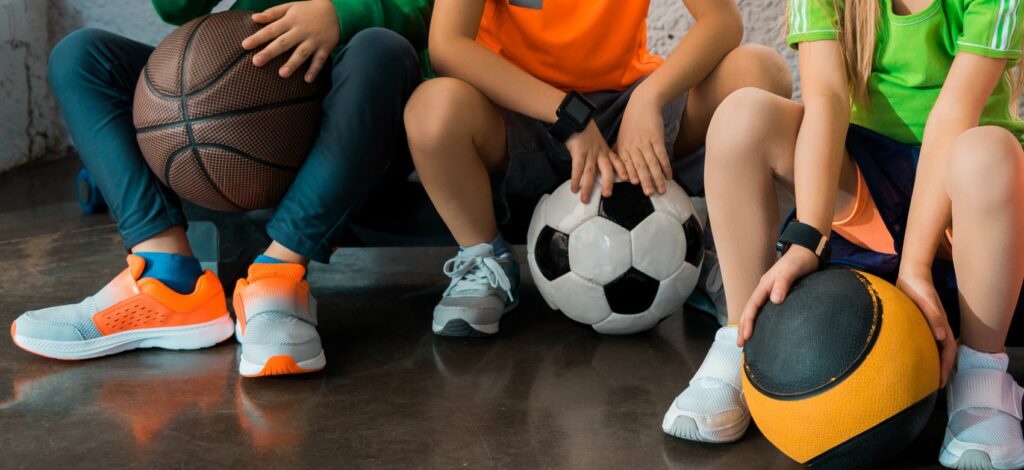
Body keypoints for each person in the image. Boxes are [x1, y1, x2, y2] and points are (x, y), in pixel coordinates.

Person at [663, 0, 1024, 466]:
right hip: (864, 180)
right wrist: (808, 235)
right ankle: (739, 341)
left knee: (989, 154)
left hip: (962, 197)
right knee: (741, 116)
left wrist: (915, 264)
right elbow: (828, 100)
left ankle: (982, 374)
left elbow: (955, 115)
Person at [10, 0, 431, 378]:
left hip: (364, 114)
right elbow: (176, 9)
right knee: (81, 56)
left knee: (381, 48)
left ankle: (278, 280)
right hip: (249, 97)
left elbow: (431, 12)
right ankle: (167, 278)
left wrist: (342, 14)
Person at [403, 0, 793, 337]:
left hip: (626, 107)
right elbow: (447, 45)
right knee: (432, 110)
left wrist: (648, 100)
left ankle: (721, 253)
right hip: (520, 108)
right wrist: (568, 117)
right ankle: (485, 258)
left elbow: (722, 21)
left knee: (760, 72)